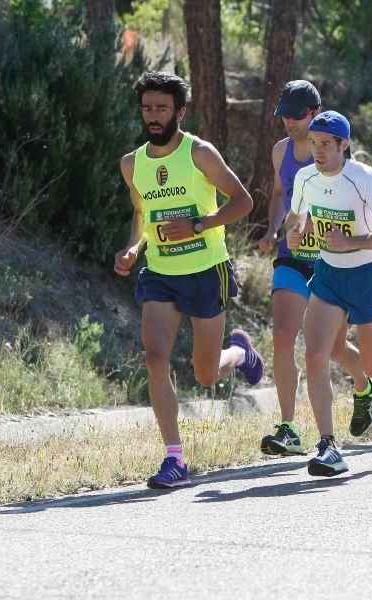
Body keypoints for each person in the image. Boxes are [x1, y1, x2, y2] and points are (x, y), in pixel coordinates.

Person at [113, 71, 264, 488]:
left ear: (180, 110)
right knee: (154, 358)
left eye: (162, 108)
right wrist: (133, 248)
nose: (154, 116)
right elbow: (142, 214)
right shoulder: (132, 164)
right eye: (147, 108)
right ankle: (175, 459)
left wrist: (200, 223)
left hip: (205, 271)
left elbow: (243, 202)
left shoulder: (200, 153)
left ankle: (240, 353)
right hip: (160, 272)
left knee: (205, 375)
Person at [286, 111, 372, 476]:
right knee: (317, 355)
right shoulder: (306, 178)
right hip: (328, 275)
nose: (318, 151)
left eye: (326, 144)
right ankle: (328, 446)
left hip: (369, 274)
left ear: (344, 145)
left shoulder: (363, 179)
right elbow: (298, 221)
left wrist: (351, 241)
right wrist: (295, 235)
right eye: (313, 143)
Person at [256, 81, 367, 457]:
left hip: (332, 261)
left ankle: (365, 383)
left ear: (316, 113)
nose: (288, 122)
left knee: (333, 349)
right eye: (284, 114)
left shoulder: (338, 159)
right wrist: (274, 229)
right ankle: (288, 427)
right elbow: (277, 196)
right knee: (283, 335)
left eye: (296, 115)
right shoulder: (280, 151)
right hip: (292, 254)